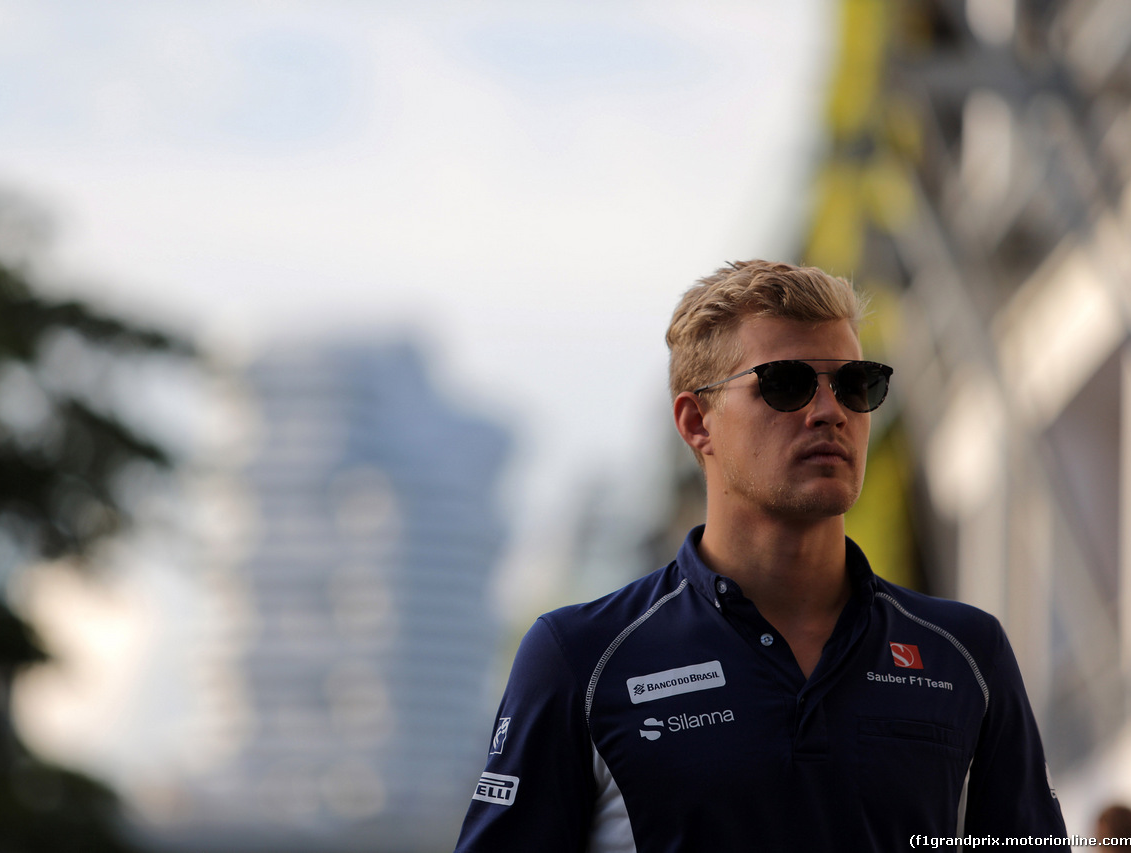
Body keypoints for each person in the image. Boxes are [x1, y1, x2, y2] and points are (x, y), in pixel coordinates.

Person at [453, 260, 1069, 851]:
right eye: (786, 384)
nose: (830, 412)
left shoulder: (966, 654)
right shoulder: (578, 658)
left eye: (857, 384)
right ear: (697, 422)